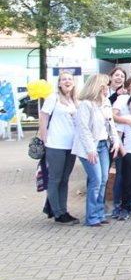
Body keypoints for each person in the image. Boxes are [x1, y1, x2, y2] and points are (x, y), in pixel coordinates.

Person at [72, 74, 120, 227]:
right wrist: (91, 150)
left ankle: (99, 213)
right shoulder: (86, 104)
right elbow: (83, 129)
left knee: (104, 180)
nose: (108, 89)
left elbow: (110, 123)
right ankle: (92, 216)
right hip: (89, 147)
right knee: (96, 180)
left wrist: (116, 141)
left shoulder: (105, 103)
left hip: (103, 145)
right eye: (106, 86)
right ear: (99, 87)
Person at [39, 72, 79, 224]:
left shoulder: (74, 101)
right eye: (64, 79)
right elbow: (43, 117)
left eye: (70, 79)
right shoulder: (53, 98)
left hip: (71, 145)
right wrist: (45, 139)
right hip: (56, 145)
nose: (67, 81)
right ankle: (57, 212)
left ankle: (64, 210)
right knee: (55, 179)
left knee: (65, 179)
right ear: (59, 83)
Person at [110, 75, 131, 219]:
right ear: (128, 85)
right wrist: (128, 121)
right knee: (121, 175)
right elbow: (112, 116)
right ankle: (118, 204)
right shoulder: (122, 99)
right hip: (122, 139)